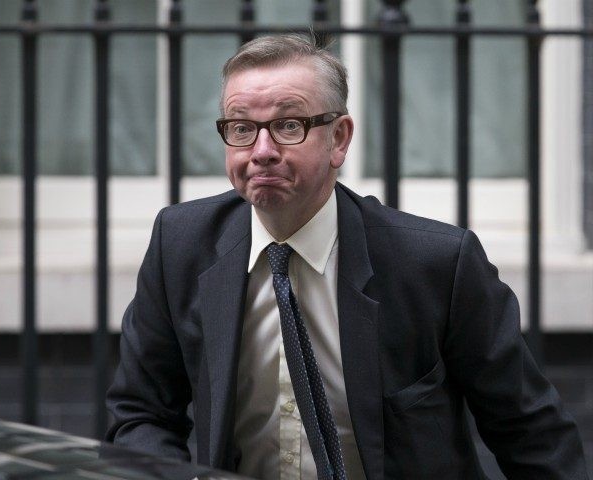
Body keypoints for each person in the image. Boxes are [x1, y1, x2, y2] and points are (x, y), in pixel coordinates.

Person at [106, 34, 589, 479]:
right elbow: (140, 413)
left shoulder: (436, 263)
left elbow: (530, 432)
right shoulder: (180, 244)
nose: (262, 150)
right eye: (241, 128)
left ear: (339, 139)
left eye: (288, 125)